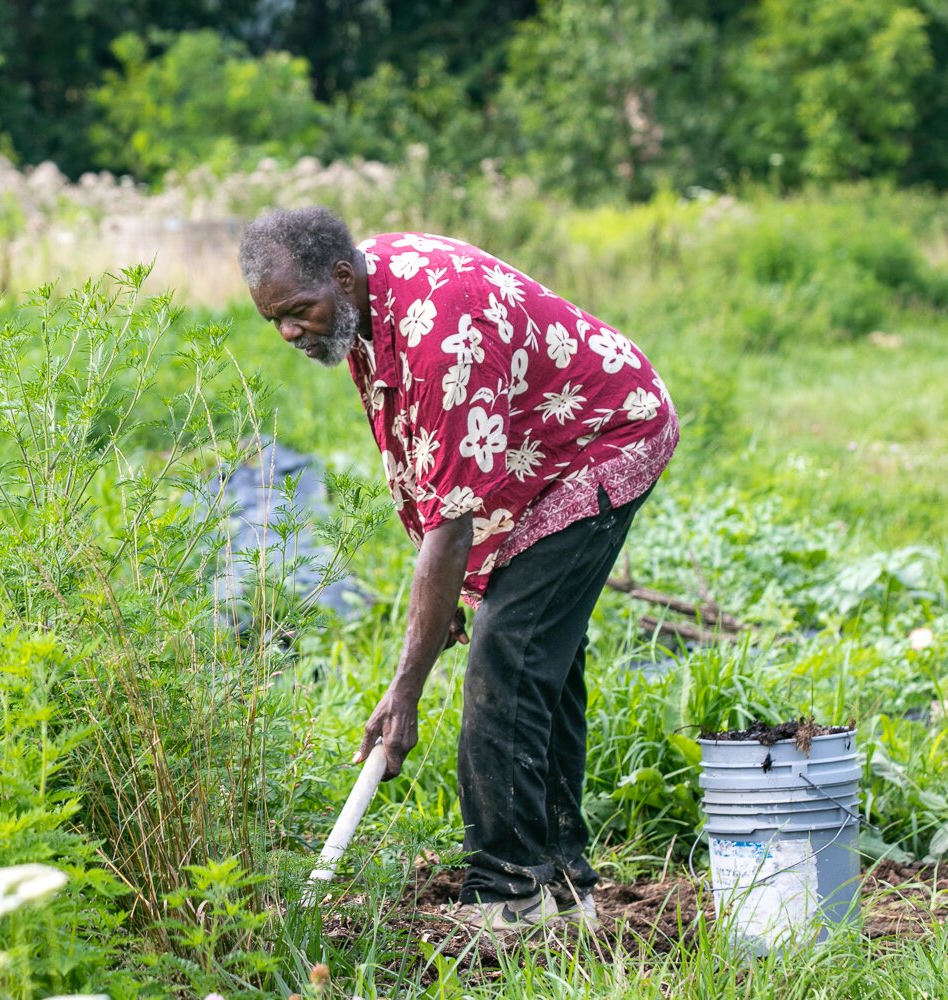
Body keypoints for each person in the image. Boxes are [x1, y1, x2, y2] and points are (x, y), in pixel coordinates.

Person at [237, 206, 678, 931]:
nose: (290, 332)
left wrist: (403, 695)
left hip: (602, 438)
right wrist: (434, 613)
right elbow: (422, 458)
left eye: (298, 311)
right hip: (539, 452)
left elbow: (451, 524)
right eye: (274, 320)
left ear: (341, 278)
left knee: (507, 655)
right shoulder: (360, 302)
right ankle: (565, 893)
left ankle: (508, 893)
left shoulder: (444, 332)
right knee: (542, 659)